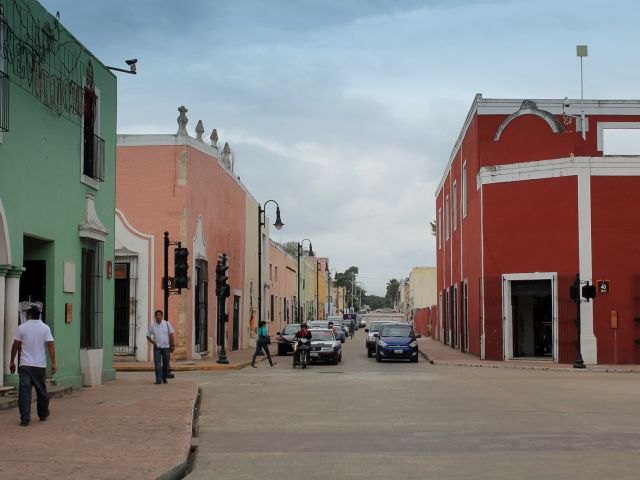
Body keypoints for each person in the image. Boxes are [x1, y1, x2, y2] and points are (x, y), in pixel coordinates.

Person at [9, 305, 56, 426]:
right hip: (39, 366)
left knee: (25, 392)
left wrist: (12, 361)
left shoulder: (22, 328)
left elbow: (16, 345)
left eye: (26, 314)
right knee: (41, 391)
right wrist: (54, 362)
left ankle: (25, 418)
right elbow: (50, 345)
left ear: (29, 315)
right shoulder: (45, 328)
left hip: (24, 365)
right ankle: (43, 413)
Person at [146, 310, 175, 384]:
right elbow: (148, 336)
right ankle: (158, 379)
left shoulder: (167, 323)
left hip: (166, 347)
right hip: (157, 348)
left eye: (160, 315)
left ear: (162, 316)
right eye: (157, 315)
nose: (158, 316)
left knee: (166, 364)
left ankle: (164, 377)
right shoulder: (152, 325)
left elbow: (171, 334)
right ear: (155, 316)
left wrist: (172, 345)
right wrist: (153, 343)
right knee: (157, 364)